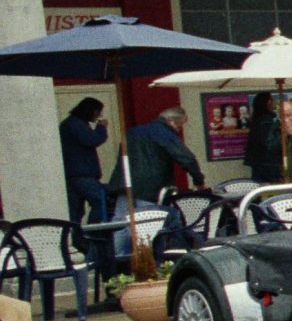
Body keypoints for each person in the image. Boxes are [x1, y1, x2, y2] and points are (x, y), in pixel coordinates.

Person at [117, 105, 203, 203]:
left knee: (124, 212)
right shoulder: (164, 133)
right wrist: (198, 181)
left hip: (125, 188)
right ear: (171, 121)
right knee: (153, 212)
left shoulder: (132, 132)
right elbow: (187, 158)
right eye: (179, 126)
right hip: (152, 190)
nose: (178, 130)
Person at [59, 97, 110, 229]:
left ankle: (75, 237)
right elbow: (92, 140)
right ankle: (93, 232)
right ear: (91, 110)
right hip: (82, 173)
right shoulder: (76, 124)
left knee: (75, 210)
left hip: (72, 173)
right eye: (98, 112)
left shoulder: (69, 124)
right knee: (100, 200)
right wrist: (101, 128)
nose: (99, 115)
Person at [244, 92, 285, 184]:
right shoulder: (266, 121)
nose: (275, 103)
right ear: (268, 102)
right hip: (269, 162)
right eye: (273, 100)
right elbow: (267, 142)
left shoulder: (257, 120)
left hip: (259, 162)